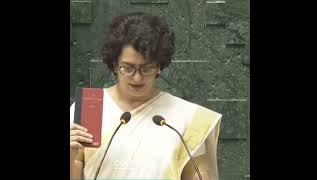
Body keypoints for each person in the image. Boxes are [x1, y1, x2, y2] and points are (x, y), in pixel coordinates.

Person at [70, 12, 222, 180]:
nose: (137, 78)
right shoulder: (91, 107)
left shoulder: (188, 118)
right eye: (128, 68)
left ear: (159, 67)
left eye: (147, 68)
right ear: (114, 64)